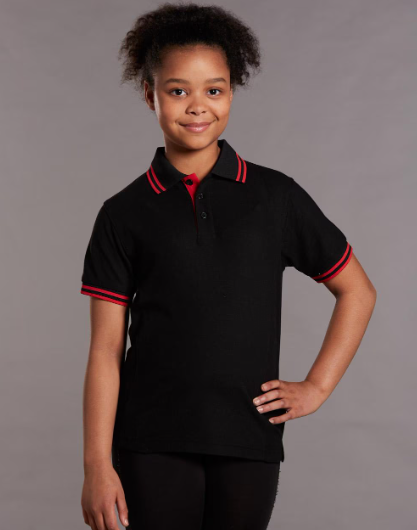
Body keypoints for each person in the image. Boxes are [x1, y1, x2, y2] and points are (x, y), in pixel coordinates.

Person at [79, 3, 377, 530]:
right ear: (150, 94)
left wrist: (317, 387)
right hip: (150, 440)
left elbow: (358, 291)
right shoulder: (123, 213)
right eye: (178, 91)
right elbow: (106, 349)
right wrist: (97, 465)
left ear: (232, 93)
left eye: (214, 90)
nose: (198, 106)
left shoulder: (275, 197)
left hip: (248, 437)